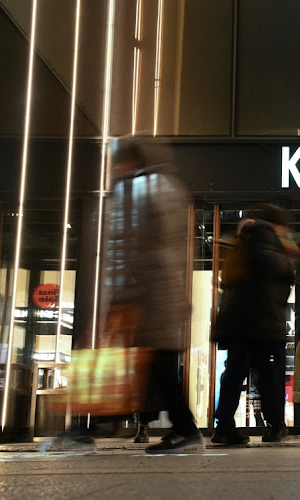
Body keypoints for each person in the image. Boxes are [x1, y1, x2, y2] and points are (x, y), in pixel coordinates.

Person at [105, 137, 203, 454]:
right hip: (162, 291)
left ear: (131, 161)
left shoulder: (143, 190)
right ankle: (184, 429)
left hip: (153, 293)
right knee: (159, 364)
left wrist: (124, 295)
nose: (115, 169)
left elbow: (138, 246)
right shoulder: (166, 186)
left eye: (118, 162)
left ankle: (184, 429)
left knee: (158, 363)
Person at [212, 204, 299, 444]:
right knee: (269, 377)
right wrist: (288, 253)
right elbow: (280, 275)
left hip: (240, 323)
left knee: (235, 373)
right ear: (277, 225)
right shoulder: (267, 242)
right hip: (262, 324)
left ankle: (224, 427)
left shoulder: (246, 241)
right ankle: (275, 425)